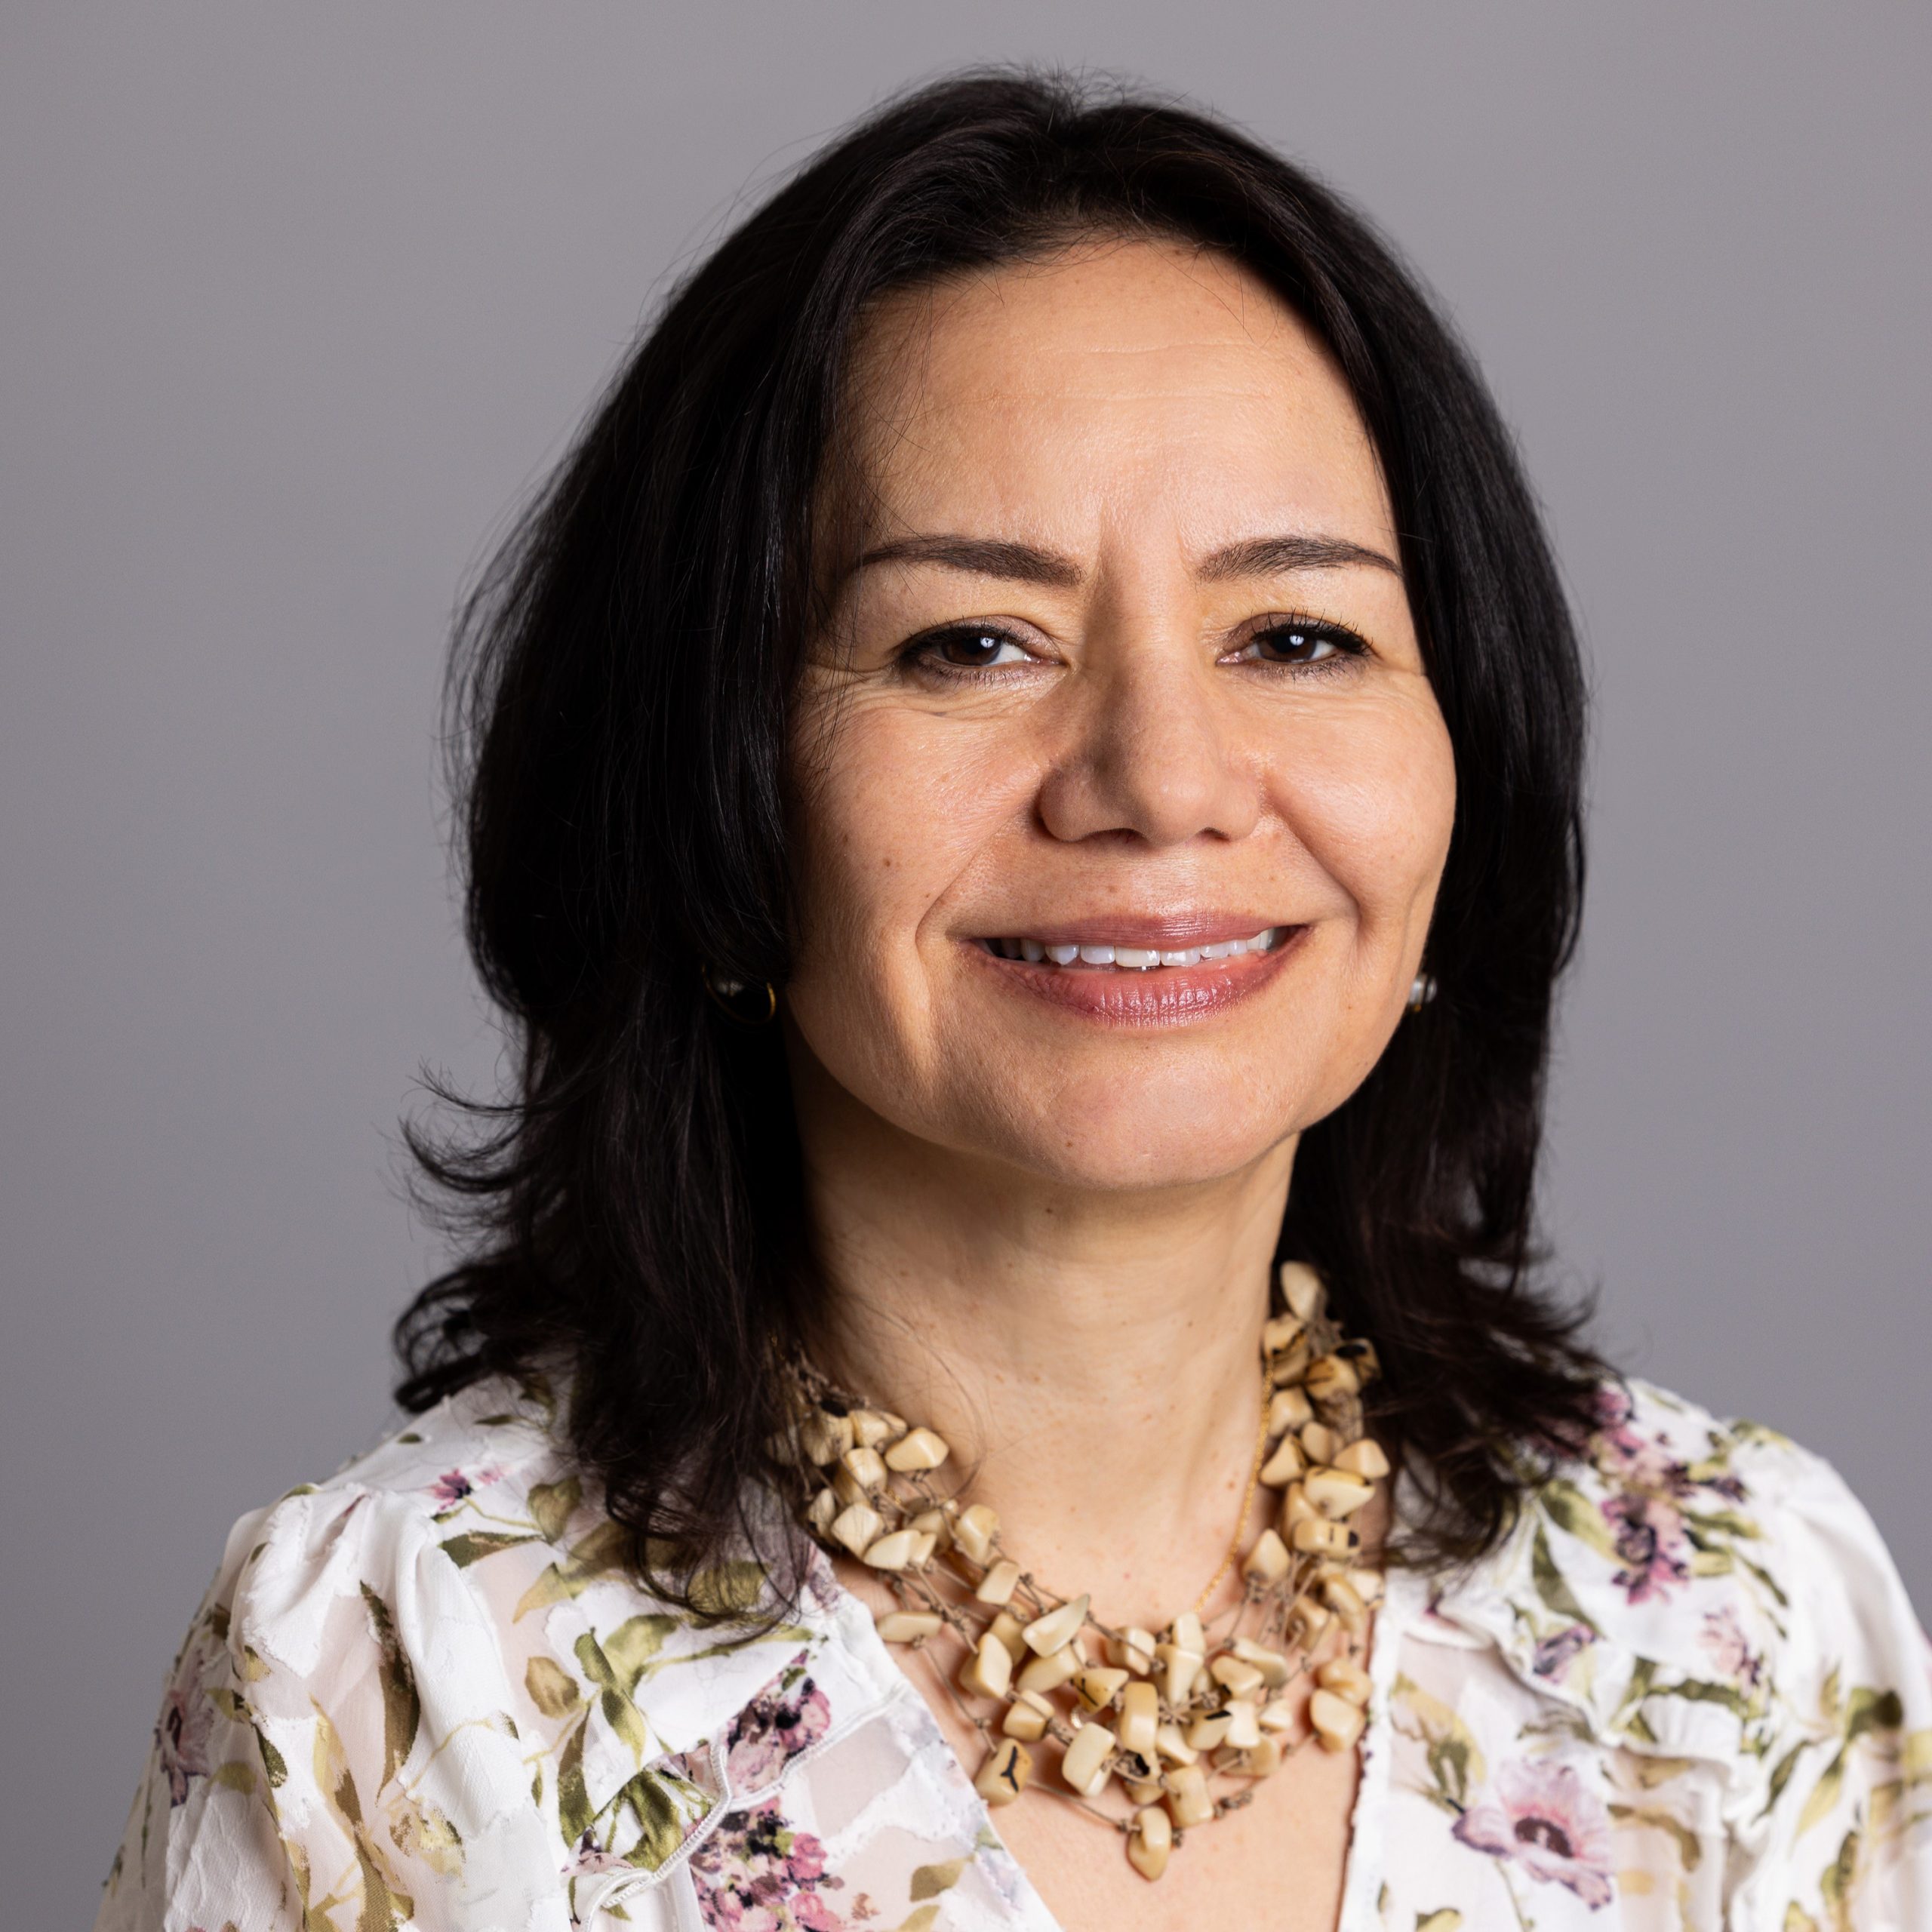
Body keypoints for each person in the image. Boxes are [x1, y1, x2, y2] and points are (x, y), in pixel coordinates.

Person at [96, 72, 1929, 1932]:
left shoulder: (1730, 1615)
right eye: (968, 641)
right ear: (711, 771)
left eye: (1294, 634)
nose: (1158, 774)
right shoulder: (403, 1678)